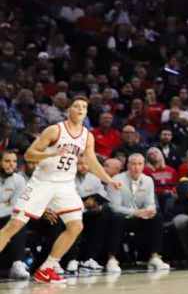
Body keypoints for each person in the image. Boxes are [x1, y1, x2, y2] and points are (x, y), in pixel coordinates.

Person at [0, 96, 121, 282]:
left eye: (84, 107)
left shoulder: (87, 136)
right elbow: (30, 153)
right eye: (77, 106)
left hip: (65, 184)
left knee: (76, 226)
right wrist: (51, 152)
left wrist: (108, 180)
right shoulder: (55, 130)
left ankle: (47, 268)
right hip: (43, 182)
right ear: (69, 110)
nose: (81, 109)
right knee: (14, 224)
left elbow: (91, 161)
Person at [108, 153, 170, 269]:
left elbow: (150, 203)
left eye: (139, 164)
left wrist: (150, 211)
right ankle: (112, 259)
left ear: (143, 166)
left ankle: (154, 257)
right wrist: (135, 212)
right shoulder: (116, 180)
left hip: (140, 217)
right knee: (116, 218)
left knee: (157, 218)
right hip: (123, 218)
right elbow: (114, 207)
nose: (136, 167)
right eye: (133, 164)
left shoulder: (148, 180)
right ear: (128, 165)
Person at [1, 149, 29, 278]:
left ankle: (17, 264)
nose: (11, 164)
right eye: (7, 161)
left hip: (7, 218)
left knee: (19, 218)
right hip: (5, 216)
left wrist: (7, 205)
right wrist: (6, 204)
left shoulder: (19, 180)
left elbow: (17, 206)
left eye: (14, 161)